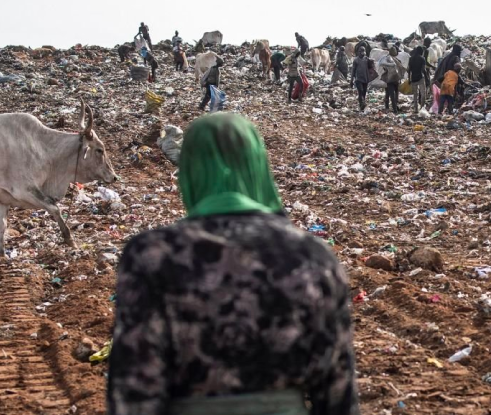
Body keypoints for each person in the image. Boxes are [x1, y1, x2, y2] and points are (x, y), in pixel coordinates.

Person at [107, 113, 359, 415]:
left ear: (190, 172)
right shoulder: (313, 256)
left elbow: (135, 385)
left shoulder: (153, 255)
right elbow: (337, 391)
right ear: (257, 166)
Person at [379, 47, 402, 114]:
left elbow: (383, 67)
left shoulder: (388, 60)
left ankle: (388, 107)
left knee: (389, 94)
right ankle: (394, 110)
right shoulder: (396, 60)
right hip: (394, 80)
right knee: (394, 95)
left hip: (390, 80)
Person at [408, 46, 429, 111]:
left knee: (415, 95)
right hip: (420, 78)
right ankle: (422, 107)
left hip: (413, 78)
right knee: (423, 94)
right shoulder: (422, 58)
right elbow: (423, 70)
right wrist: (427, 78)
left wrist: (409, 79)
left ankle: (416, 109)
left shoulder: (411, 58)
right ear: (421, 51)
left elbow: (409, 70)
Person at [351, 46, 372, 111]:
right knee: (360, 91)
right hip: (358, 79)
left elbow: (370, 68)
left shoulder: (366, 59)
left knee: (364, 92)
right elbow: (353, 70)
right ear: (358, 52)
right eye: (361, 51)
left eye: (363, 51)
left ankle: (362, 105)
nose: (362, 53)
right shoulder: (356, 60)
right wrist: (351, 80)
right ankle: (362, 104)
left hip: (365, 78)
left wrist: (370, 62)